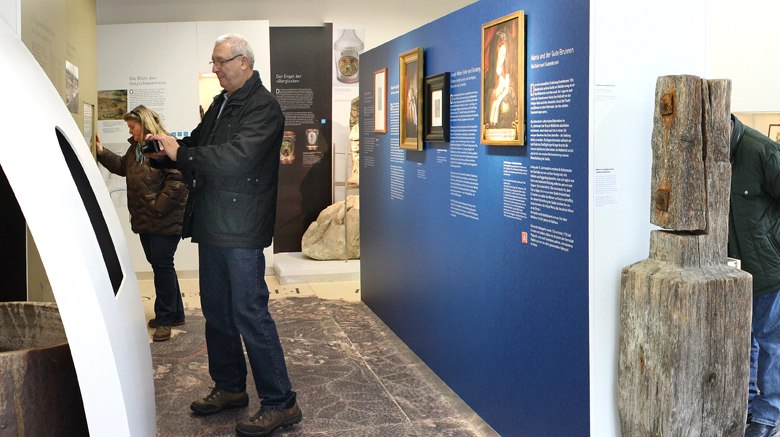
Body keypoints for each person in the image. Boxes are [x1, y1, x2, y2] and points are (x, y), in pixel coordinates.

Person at [148, 33, 301, 436]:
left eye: (219, 61)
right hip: (214, 223)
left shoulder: (265, 108)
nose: (214, 68)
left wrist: (185, 155)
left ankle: (281, 402)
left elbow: (237, 159)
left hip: (242, 227)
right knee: (217, 312)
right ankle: (231, 387)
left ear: (243, 63)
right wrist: (165, 151)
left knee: (249, 312)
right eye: (214, 62)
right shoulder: (221, 103)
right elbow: (197, 147)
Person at [95, 105, 187, 342]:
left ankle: (165, 319)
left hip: (163, 219)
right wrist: (101, 151)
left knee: (161, 265)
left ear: (143, 123)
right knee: (162, 265)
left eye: (132, 127)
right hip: (146, 218)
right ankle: (175, 313)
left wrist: (158, 207)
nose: (131, 131)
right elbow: (122, 168)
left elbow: (178, 181)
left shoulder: (162, 144)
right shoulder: (136, 148)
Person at [728, 115, 780, 437]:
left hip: (768, 272)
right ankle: (747, 405)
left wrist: (773, 244)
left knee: (771, 344)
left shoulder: (762, 152)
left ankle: (768, 415)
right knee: (744, 344)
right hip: (732, 274)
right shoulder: (711, 155)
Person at [483, 30, 517, 135]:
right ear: (496, 53)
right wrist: (495, 93)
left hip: (504, 96)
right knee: (496, 105)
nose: (503, 57)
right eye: (501, 53)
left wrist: (502, 94)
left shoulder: (506, 72)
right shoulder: (491, 72)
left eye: (505, 54)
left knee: (502, 105)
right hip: (496, 96)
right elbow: (488, 91)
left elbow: (507, 88)